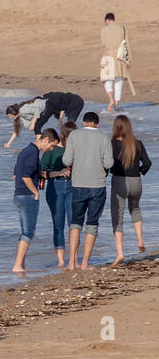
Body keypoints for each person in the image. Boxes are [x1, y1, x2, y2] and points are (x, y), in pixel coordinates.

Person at [62, 111, 114, 269]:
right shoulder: (104, 137)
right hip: (97, 185)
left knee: (75, 223)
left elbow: (66, 160)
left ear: (83, 122)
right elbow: (109, 163)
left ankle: (71, 263)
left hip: (78, 184)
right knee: (92, 223)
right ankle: (84, 263)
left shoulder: (74, 136)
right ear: (96, 124)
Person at [12, 130, 56, 273]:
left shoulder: (26, 151)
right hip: (26, 196)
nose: (51, 149)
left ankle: (21, 265)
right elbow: (25, 176)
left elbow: (15, 174)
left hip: (19, 195)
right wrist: (35, 192)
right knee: (28, 232)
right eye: (51, 146)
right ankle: (18, 266)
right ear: (46, 140)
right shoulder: (32, 153)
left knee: (26, 231)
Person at [109, 114, 150, 262]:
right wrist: (138, 171)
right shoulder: (137, 143)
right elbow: (147, 163)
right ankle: (140, 241)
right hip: (136, 182)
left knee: (117, 217)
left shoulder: (113, 143)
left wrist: (110, 172)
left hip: (120, 181)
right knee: (135, 209)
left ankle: (120, 253)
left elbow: (109, 163)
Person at [4, 91, 84, 148]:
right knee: (37, 126)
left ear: (13, 112)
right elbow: (16, 130)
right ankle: (40, 141)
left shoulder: (23, 110)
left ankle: (68, 144)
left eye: (10, 115)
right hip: (54, 106)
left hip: (74, 104)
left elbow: (37, 110)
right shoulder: (20, 116)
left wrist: (33, 123)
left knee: (69, 125)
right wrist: (8, 143)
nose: (10, 117)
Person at [40, 127, 71, 268]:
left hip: (73, 186)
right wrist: (59, 172)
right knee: (58, 224)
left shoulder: (74, 149)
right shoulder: (52, 151)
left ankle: (73, 259)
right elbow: (43, 172)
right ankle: (60, 261)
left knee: (74, 224)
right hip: (55, 187)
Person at [100, 13, 130, 111]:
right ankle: (116, 103)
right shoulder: (122, 28)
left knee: (107, 79)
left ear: (106, 20)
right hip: (120, 55)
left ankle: (111, 99)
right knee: (119, 80)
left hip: (108, 54)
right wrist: (128, 60)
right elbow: (126, 44)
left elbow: (103, 43)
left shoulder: (104, 30)